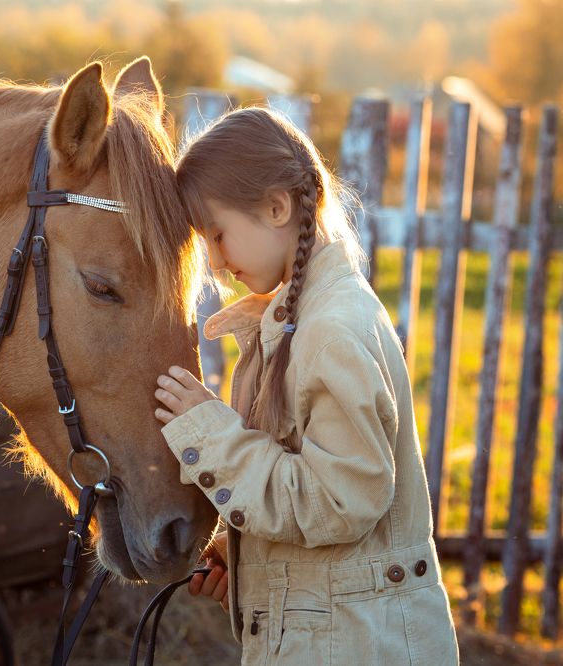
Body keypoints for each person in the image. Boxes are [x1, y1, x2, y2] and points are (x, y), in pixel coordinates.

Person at [154, 106, 459, 664]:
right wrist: (247, 551)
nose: (216, 264)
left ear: (276, 206)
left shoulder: (330, 332)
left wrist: (214, 437)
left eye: (218, 236)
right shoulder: (298, 318)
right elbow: (313, 483)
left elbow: (342, 501)